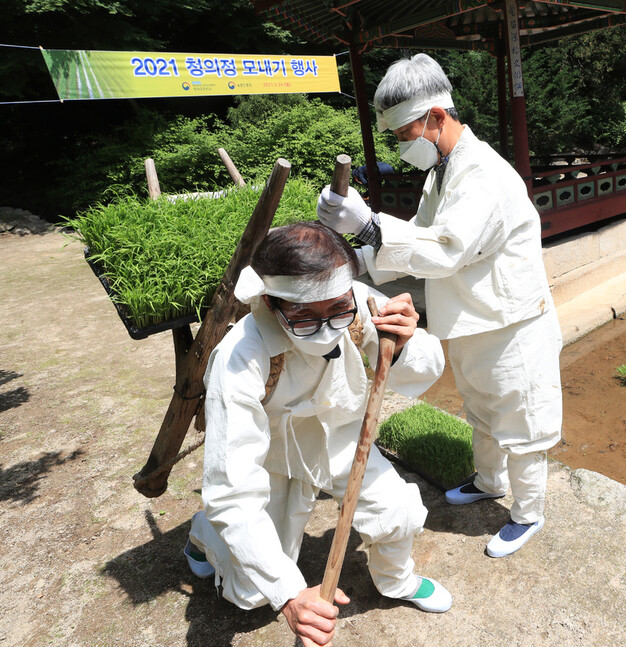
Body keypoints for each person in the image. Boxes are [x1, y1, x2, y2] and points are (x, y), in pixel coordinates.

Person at [316, 53, 562, 559]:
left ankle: (528, 512)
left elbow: (447, 248)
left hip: (513, 322)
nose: (403, 145)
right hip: (472, 317)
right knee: (481, 409)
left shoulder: (483, 174)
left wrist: (368, 227)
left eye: (406, 134)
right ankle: (490, 481)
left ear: (436, 118)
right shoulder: (442, 171)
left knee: (520, 418)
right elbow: (418, 240)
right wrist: (358, 260)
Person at [184, 222, 452, 647]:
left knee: (398, 508)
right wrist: (290, 595)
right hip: (272, 455)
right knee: (254, 593)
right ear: (271, 303)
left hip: (341, 437)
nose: (328, 327)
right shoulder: (238, 358)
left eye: (337, 311)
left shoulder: (356, 302)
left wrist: (402, 344)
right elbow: (233, 487)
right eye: (306, 317)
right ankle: (204, 533)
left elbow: (427, 364)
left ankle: (397, 581)